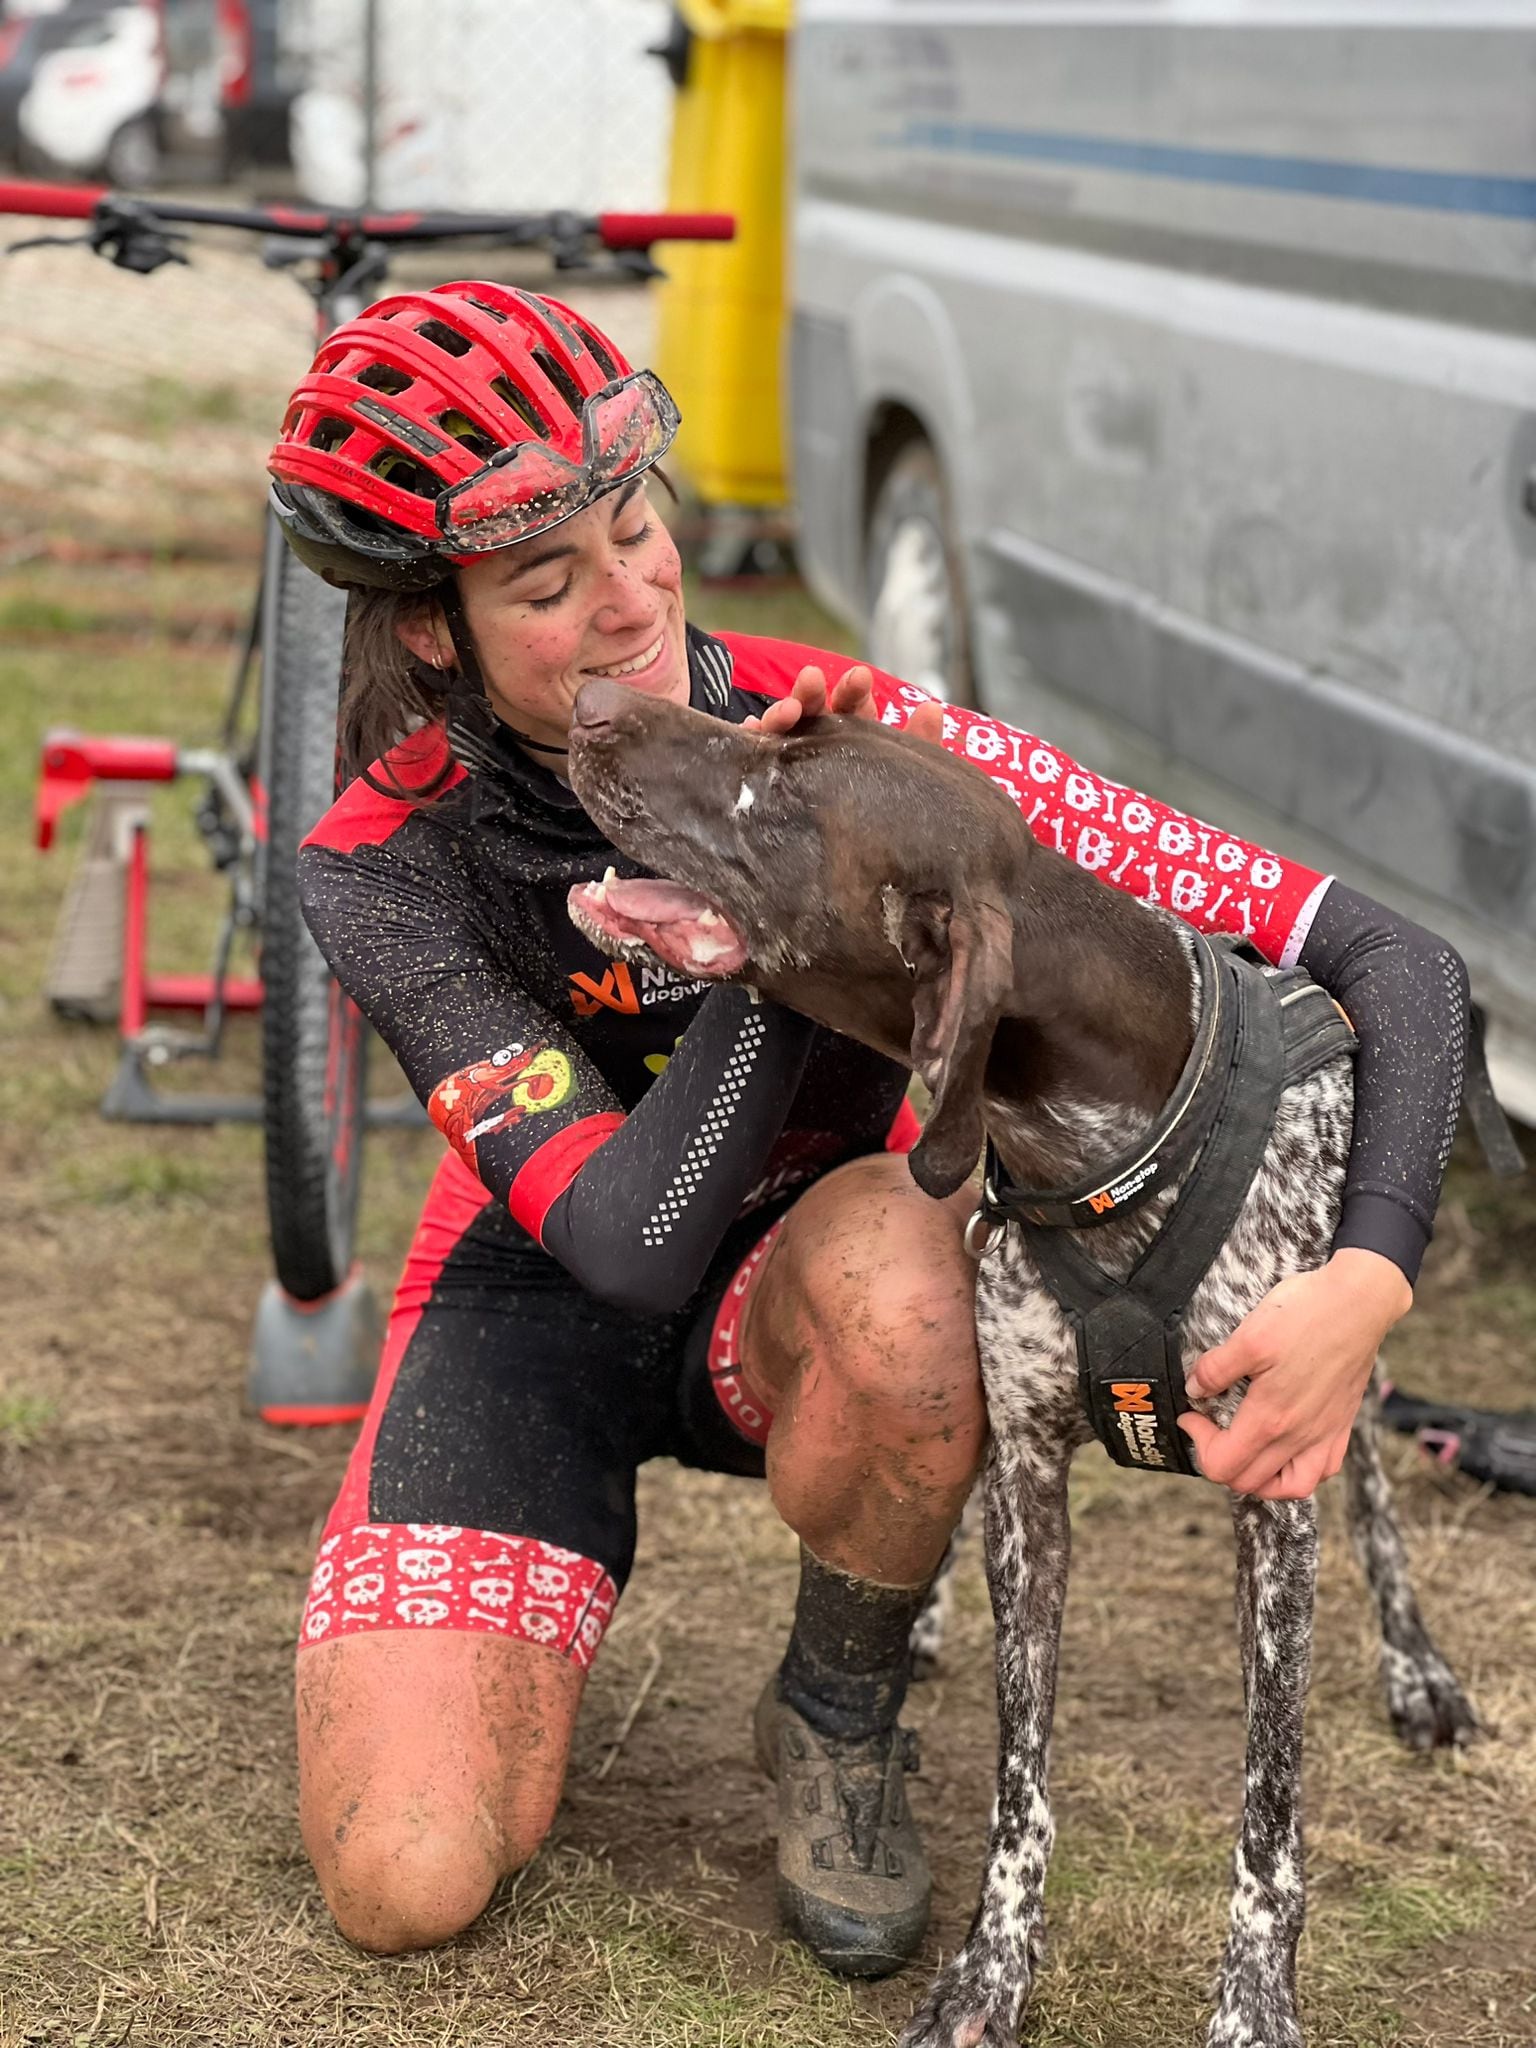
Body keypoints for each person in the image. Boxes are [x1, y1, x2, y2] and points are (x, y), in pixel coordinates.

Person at [268, 281, 1469, 1974]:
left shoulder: (853, 737)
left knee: (926, 1286)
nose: (627, 608)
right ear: (429, 632)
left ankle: (838, 1702)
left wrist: (1366, 1281)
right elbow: (621, 1243)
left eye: (639, 531)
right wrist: (782, 911)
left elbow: (1390, 960)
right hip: (531, 1295)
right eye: (547, 586)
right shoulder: (380, 856)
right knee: (405, 1881)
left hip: (814, 1257)